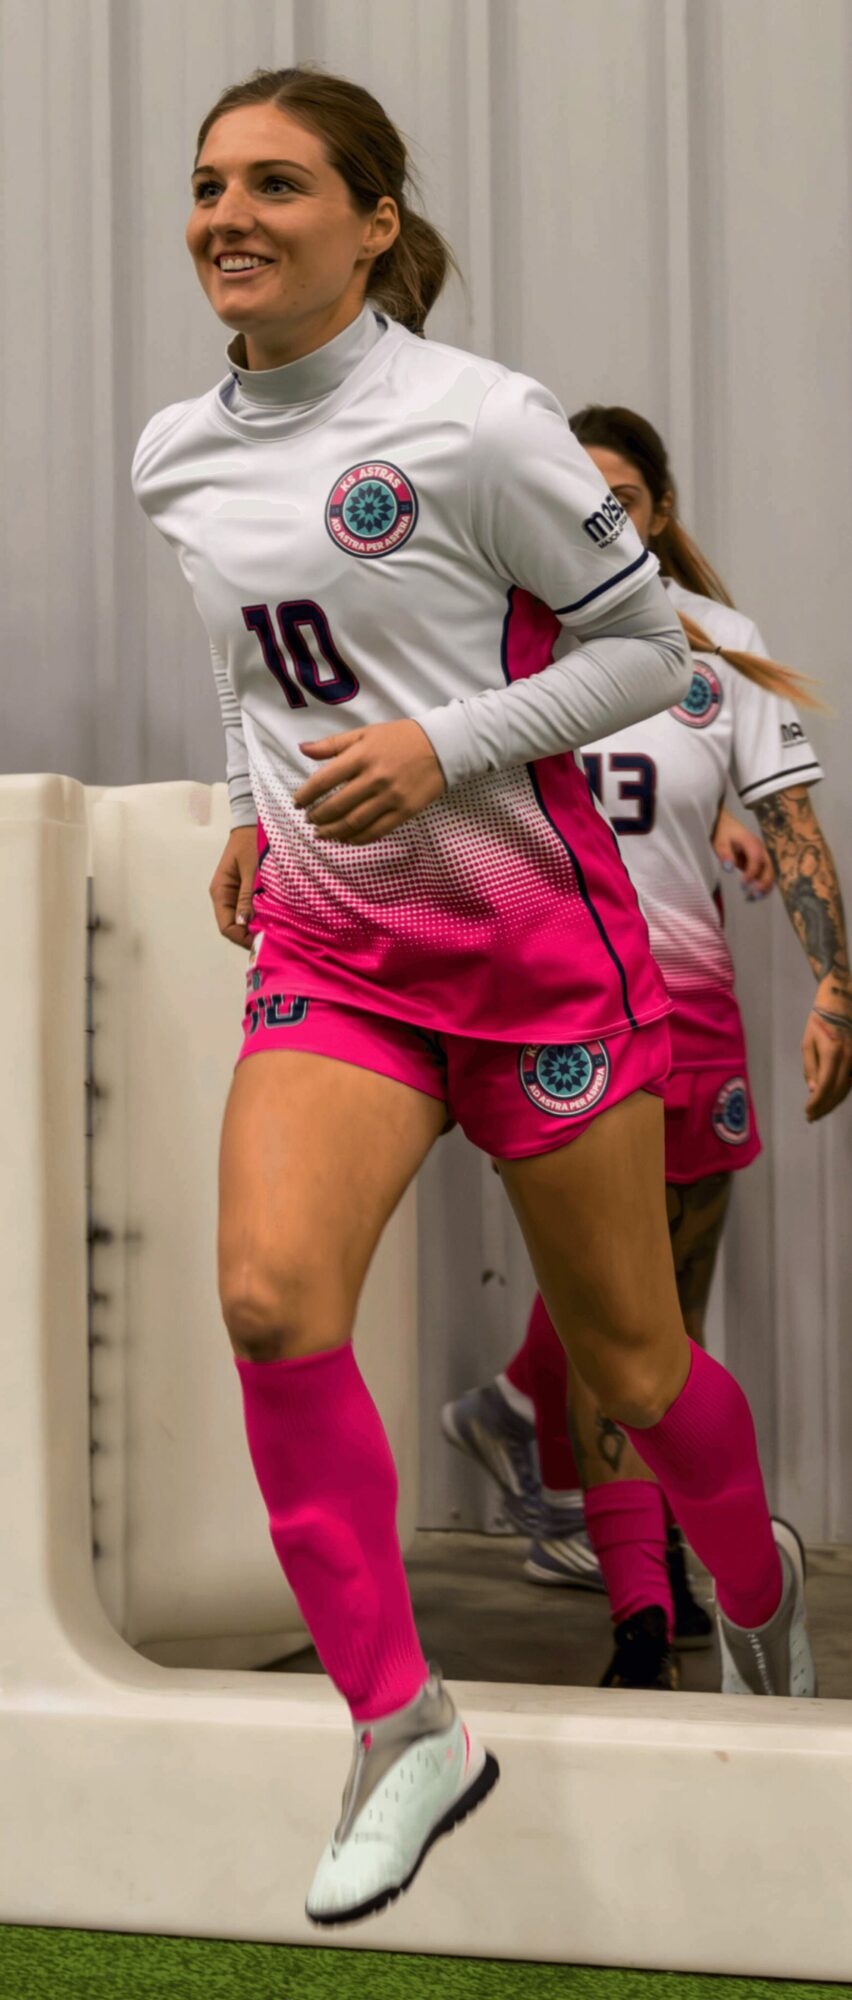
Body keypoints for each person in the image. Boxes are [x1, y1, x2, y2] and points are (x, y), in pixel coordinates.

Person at [132, 66, 811, 1928]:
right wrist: (253, 807)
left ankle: (755, 1587)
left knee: (633, 1368)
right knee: (270, 1303)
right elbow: (253, 668)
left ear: (372, 224)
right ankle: (399, 1726)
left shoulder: (479, 422)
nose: (229, 215)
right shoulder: (176, 451)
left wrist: (445, 746)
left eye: (278, 183)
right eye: (208, 184)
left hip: (536, 961)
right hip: (337, 956)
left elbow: (650, 651)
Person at [444, 404, 852, 1691]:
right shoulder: (498, 629)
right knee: (602, 1309)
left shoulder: (718, 645)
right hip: (555, 1008)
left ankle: (521, 1411)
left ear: (659, 513)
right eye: (574, 490)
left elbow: (786, 822)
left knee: (656, 1318)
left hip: (686, 1015)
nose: (594, 513)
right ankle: (639, 1613)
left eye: (619, 496)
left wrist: (836, 982)